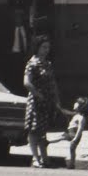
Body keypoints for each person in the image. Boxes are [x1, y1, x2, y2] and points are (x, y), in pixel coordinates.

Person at [22, 36, 60, 168]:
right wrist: (38, 94)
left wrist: (55, 99)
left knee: (43, 130)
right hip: (36, 101)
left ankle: (45, 157)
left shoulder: (47, 64)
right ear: (37, 47)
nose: (46, 50)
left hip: (47, 100)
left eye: (47, 47)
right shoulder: (32, 63)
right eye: (43, 47)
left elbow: (53, 83)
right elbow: (27, 82)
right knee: (34, 129)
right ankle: (35, 158)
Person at [65, 89, 88, 169]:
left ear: (80, 106)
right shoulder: (76, 114)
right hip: (71, 132)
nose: (74, 103)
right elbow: (67, 112)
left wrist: (76, 138)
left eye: (76, 103)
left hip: (74, 134)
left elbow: (80, 129)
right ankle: (71, 163)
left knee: (66, 140)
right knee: (72, 149)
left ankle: (72, 163)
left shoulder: (81, 118)